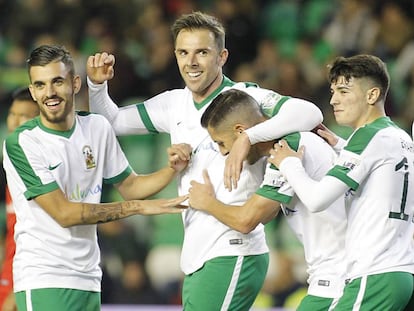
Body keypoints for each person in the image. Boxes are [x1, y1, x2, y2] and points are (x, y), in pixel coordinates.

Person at [86, 11, 323, 310]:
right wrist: (97, 87)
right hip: (200, 251)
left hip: (234, 248)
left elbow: (310, 113)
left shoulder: (244, 97)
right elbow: (111, 120)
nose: (191, 62)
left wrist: (247, 139)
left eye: (202, 52)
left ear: (222, 56)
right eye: (183, 52)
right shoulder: (173, 104)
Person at [2, 44, 188, 311]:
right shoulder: (22, 142)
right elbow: (64, 214)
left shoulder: (97, 127)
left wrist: (173, 168)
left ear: (75, 83)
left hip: (88, 276)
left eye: (57, 81)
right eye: (40, 85)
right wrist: (136, 208)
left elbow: (131, 186)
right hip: (44, 276)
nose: (50, 93)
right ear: (32, 91)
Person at [269, 54, 414, 310]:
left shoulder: (369, 136)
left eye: (344, 91)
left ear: (372, 95)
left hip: (374, 274)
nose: (334, 100)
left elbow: (316, 200)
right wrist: (343, 147)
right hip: (400, 272)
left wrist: (288, 163)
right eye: (333, 91)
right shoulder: (399, 137)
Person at [186, 88, 347, 310]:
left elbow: (246, 220)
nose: (223, 153)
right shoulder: (291, 143)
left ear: (241, 131)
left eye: (222, 143)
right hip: (336, 274)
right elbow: (266, 214)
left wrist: (207, 202)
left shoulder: (288, 146)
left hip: (340, 278)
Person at [0, 87, 40, 311]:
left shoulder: (36, 172)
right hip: (11, 270)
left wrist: (18, 290)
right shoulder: (13, 164)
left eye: (23, 116)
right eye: (12, 114)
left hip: (26, 278)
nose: (15, 122)